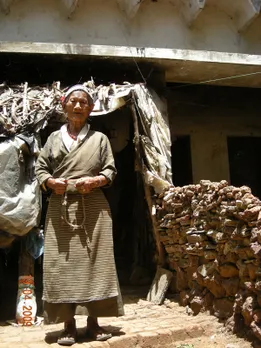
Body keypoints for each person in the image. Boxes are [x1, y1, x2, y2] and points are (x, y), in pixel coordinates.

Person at [35, 84, 124, 346]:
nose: (77, 106)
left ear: (91, 109)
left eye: (83, 102)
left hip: (93, 206)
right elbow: (40, 169)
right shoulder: (52, 139)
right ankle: (68, 326)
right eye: (73, 101)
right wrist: (50, 183)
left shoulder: (100, 139)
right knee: (61, 266)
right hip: (59, 208)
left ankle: (94, 324)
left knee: (97, 263)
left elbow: (110, 171)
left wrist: (95, 181)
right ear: (64, 107)